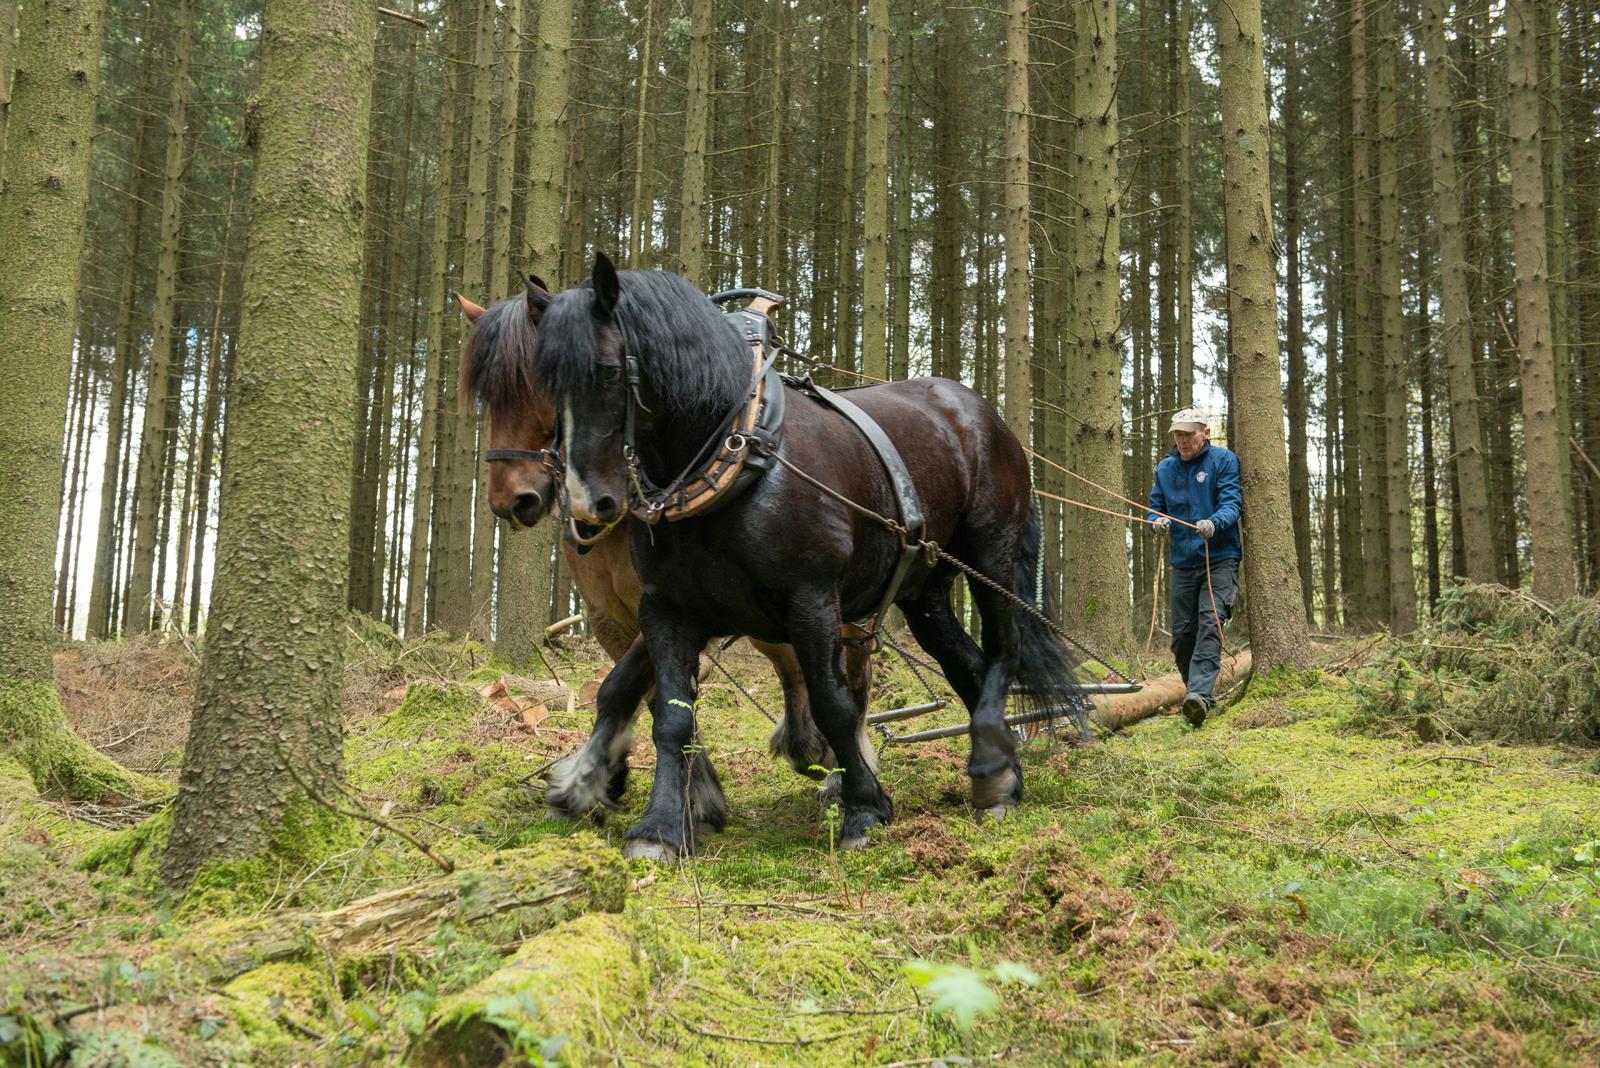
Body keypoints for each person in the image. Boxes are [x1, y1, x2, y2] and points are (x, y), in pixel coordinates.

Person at [1148, 408, 1242, 727]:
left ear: (1205, 432)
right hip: (1183, 563)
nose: (1183, 440)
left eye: (1189, 433)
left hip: (1220, 559)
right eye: (1178, 434)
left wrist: (1215, 523)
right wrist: (1156, 522)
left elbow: (1232, 502)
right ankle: (1196, 697)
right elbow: (1154, 508)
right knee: (1182, 636)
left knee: (1210, 622)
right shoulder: (1165, 468)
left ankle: (1200, 694)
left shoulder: (1223, 460)